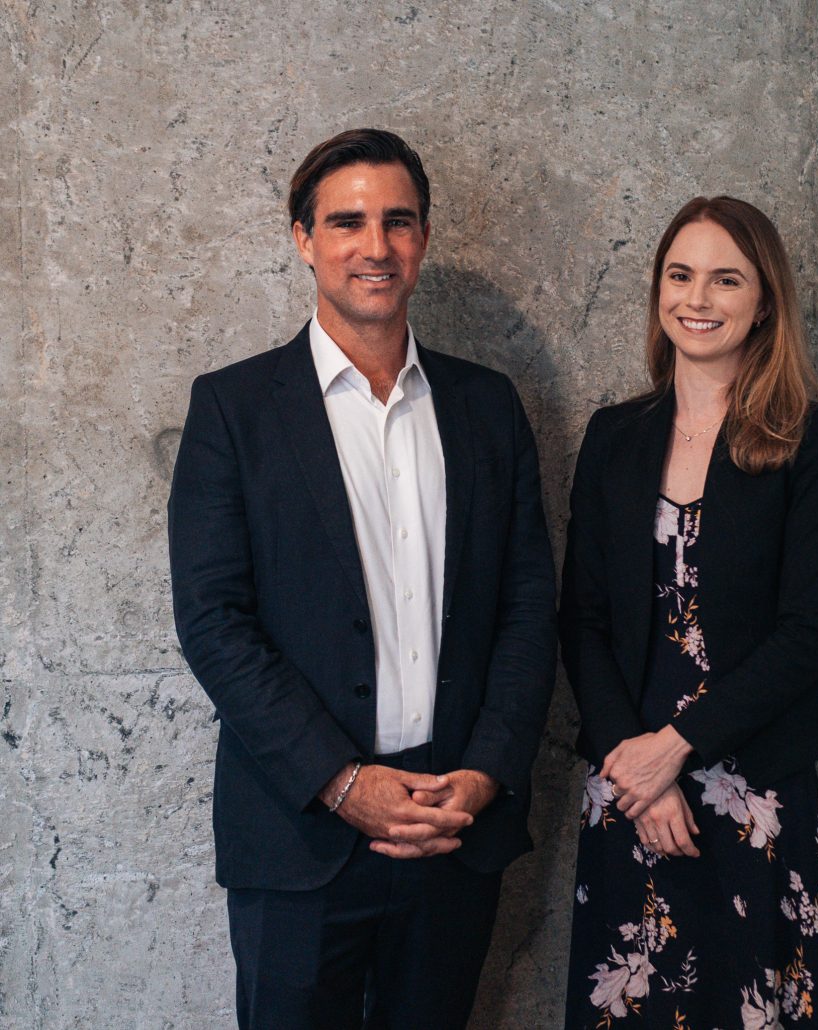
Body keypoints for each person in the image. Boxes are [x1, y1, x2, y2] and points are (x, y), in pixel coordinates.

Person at [167, 128, 557, 1030]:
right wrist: (342, 782)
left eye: (398, 221)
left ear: (424, 238)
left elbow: (529, 607)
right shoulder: (234, 409)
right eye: (347, 222)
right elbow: (214, 622)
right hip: (302, 829)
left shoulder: (487, 406)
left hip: (454, 824)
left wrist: (486, 772)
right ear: (304, 239)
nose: (375, 246)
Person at [560, 196, 818, 1028]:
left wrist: (675, 750)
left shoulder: (806, 436)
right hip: (629, 792)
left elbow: (805, 636)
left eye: (726, 279)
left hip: (756, 792)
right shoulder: (614, 435)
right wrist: (638, 771)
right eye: (680, 275)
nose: (697, 298)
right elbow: (580, 619)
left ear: (764, 302)